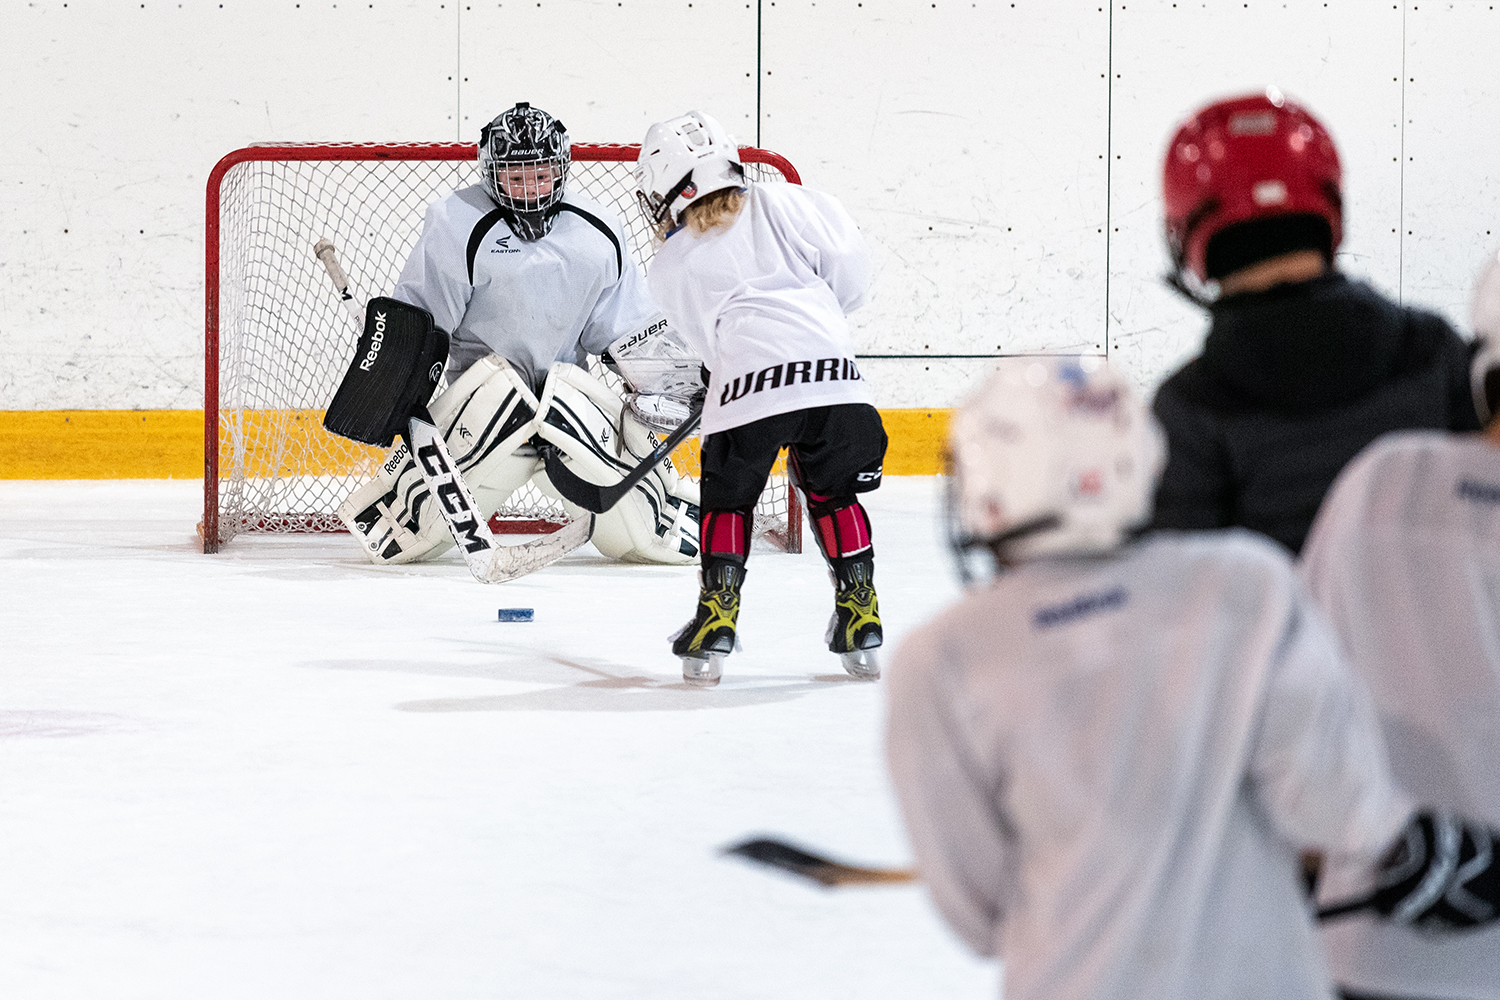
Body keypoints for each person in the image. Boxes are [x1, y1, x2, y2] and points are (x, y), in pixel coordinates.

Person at [884, 357, 1500, 1000]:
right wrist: (1418, 847)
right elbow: (1331, 806)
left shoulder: (941, 659)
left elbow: (978, 914)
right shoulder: (1244, 587)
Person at [337, 102, 702, 567]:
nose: (530, 188)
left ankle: (659, 502)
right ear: (491, 174)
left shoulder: (595, 231)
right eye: (516, 176)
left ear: (562, 170)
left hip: (570, 417)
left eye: (541, 175)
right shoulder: (456, 224)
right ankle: (403, 496)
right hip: (483, 417)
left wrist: (675, 383)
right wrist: (391, 382)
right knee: (410, 545)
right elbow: (423, 329)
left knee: (638, 542)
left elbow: (626, 329)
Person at [1151, 90, 1479, 555]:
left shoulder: (1190, 409)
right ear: (1328, 206)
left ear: (1188, 229)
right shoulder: (1432, 350)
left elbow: (1184, 602)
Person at [1299, 254, 1500, 1000]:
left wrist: (1387, 835)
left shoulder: (1384, 481)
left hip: (1366, 954)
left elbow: (1279, 707)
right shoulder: (1383, 484)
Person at [633, 111, 886, 686]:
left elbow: (708, 347)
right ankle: (861, 614)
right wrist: (812, 341)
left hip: (748, 387)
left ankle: (716, 621)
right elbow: (851, 278)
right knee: (831, 493)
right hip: (838, 380)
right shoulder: (796, 202)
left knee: (730, 504)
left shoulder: (672, 261)